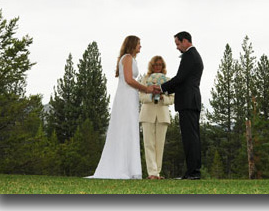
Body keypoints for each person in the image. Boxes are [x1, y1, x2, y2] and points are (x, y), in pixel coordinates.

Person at [86, 35, 156, 179]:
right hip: (126, 97)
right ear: (132, 44)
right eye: (139, 44)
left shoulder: (129, 58)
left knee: (129, 129)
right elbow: (129, 80)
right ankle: (122, 168)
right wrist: (146, 89)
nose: (140, 46)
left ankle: (129, 168)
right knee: (125, 128)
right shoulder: (128, 58)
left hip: (129, 96)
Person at [154, 31, 204, 180]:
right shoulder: (194, 55)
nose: (177, 47)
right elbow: (183, 81)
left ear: (185, 41)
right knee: (191, 137)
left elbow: (180, 78)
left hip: (188, 101)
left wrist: (162, 88)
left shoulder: (190, 56)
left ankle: (193, 173)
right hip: (191, 100)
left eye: (177, 43)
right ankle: (193, 171)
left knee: (190, 138)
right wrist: (166, 89)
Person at [139, 56, 174, 180]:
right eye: (155, 65)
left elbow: (172, 99)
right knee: (149, 144)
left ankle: (157, 172)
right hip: (147, 114)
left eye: (160, 64)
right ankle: (152, 172)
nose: (158, 67)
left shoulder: (168, 80)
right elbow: (141, 97)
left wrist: (163, 97)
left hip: (162, 116)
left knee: (160, 145)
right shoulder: (145, 79)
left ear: (163, 66)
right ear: (152, 66)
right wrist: (151, 95)